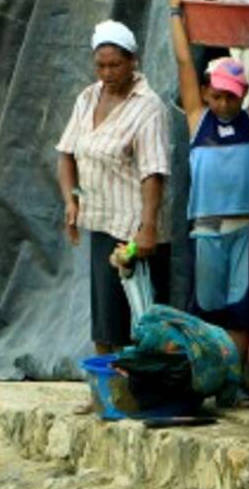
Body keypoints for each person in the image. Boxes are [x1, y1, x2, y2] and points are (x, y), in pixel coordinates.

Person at [166, 0, 249, 359]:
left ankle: (232, 381)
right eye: (217, 96)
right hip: (204, 229)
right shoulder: (197, 119)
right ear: (205, 93)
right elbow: (184, 60)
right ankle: (211, 376)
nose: (224, 104)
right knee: (207, 309)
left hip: (244, 229)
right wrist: (176, 12)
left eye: (231, 97)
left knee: (240, 311)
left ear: (244, 95)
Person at [56, 20, 172, 354]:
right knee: (104, 319)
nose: (107, 73)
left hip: (133, 230)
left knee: (136, 316)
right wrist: (71, 201)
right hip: (101, 221)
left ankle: (134, 392)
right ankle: (104, 392)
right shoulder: (88, 98)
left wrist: (147, 227)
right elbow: (67, 153)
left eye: (115, 65)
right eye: (101, 65)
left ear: (133, 61)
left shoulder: (148, 107)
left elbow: (154, 172)